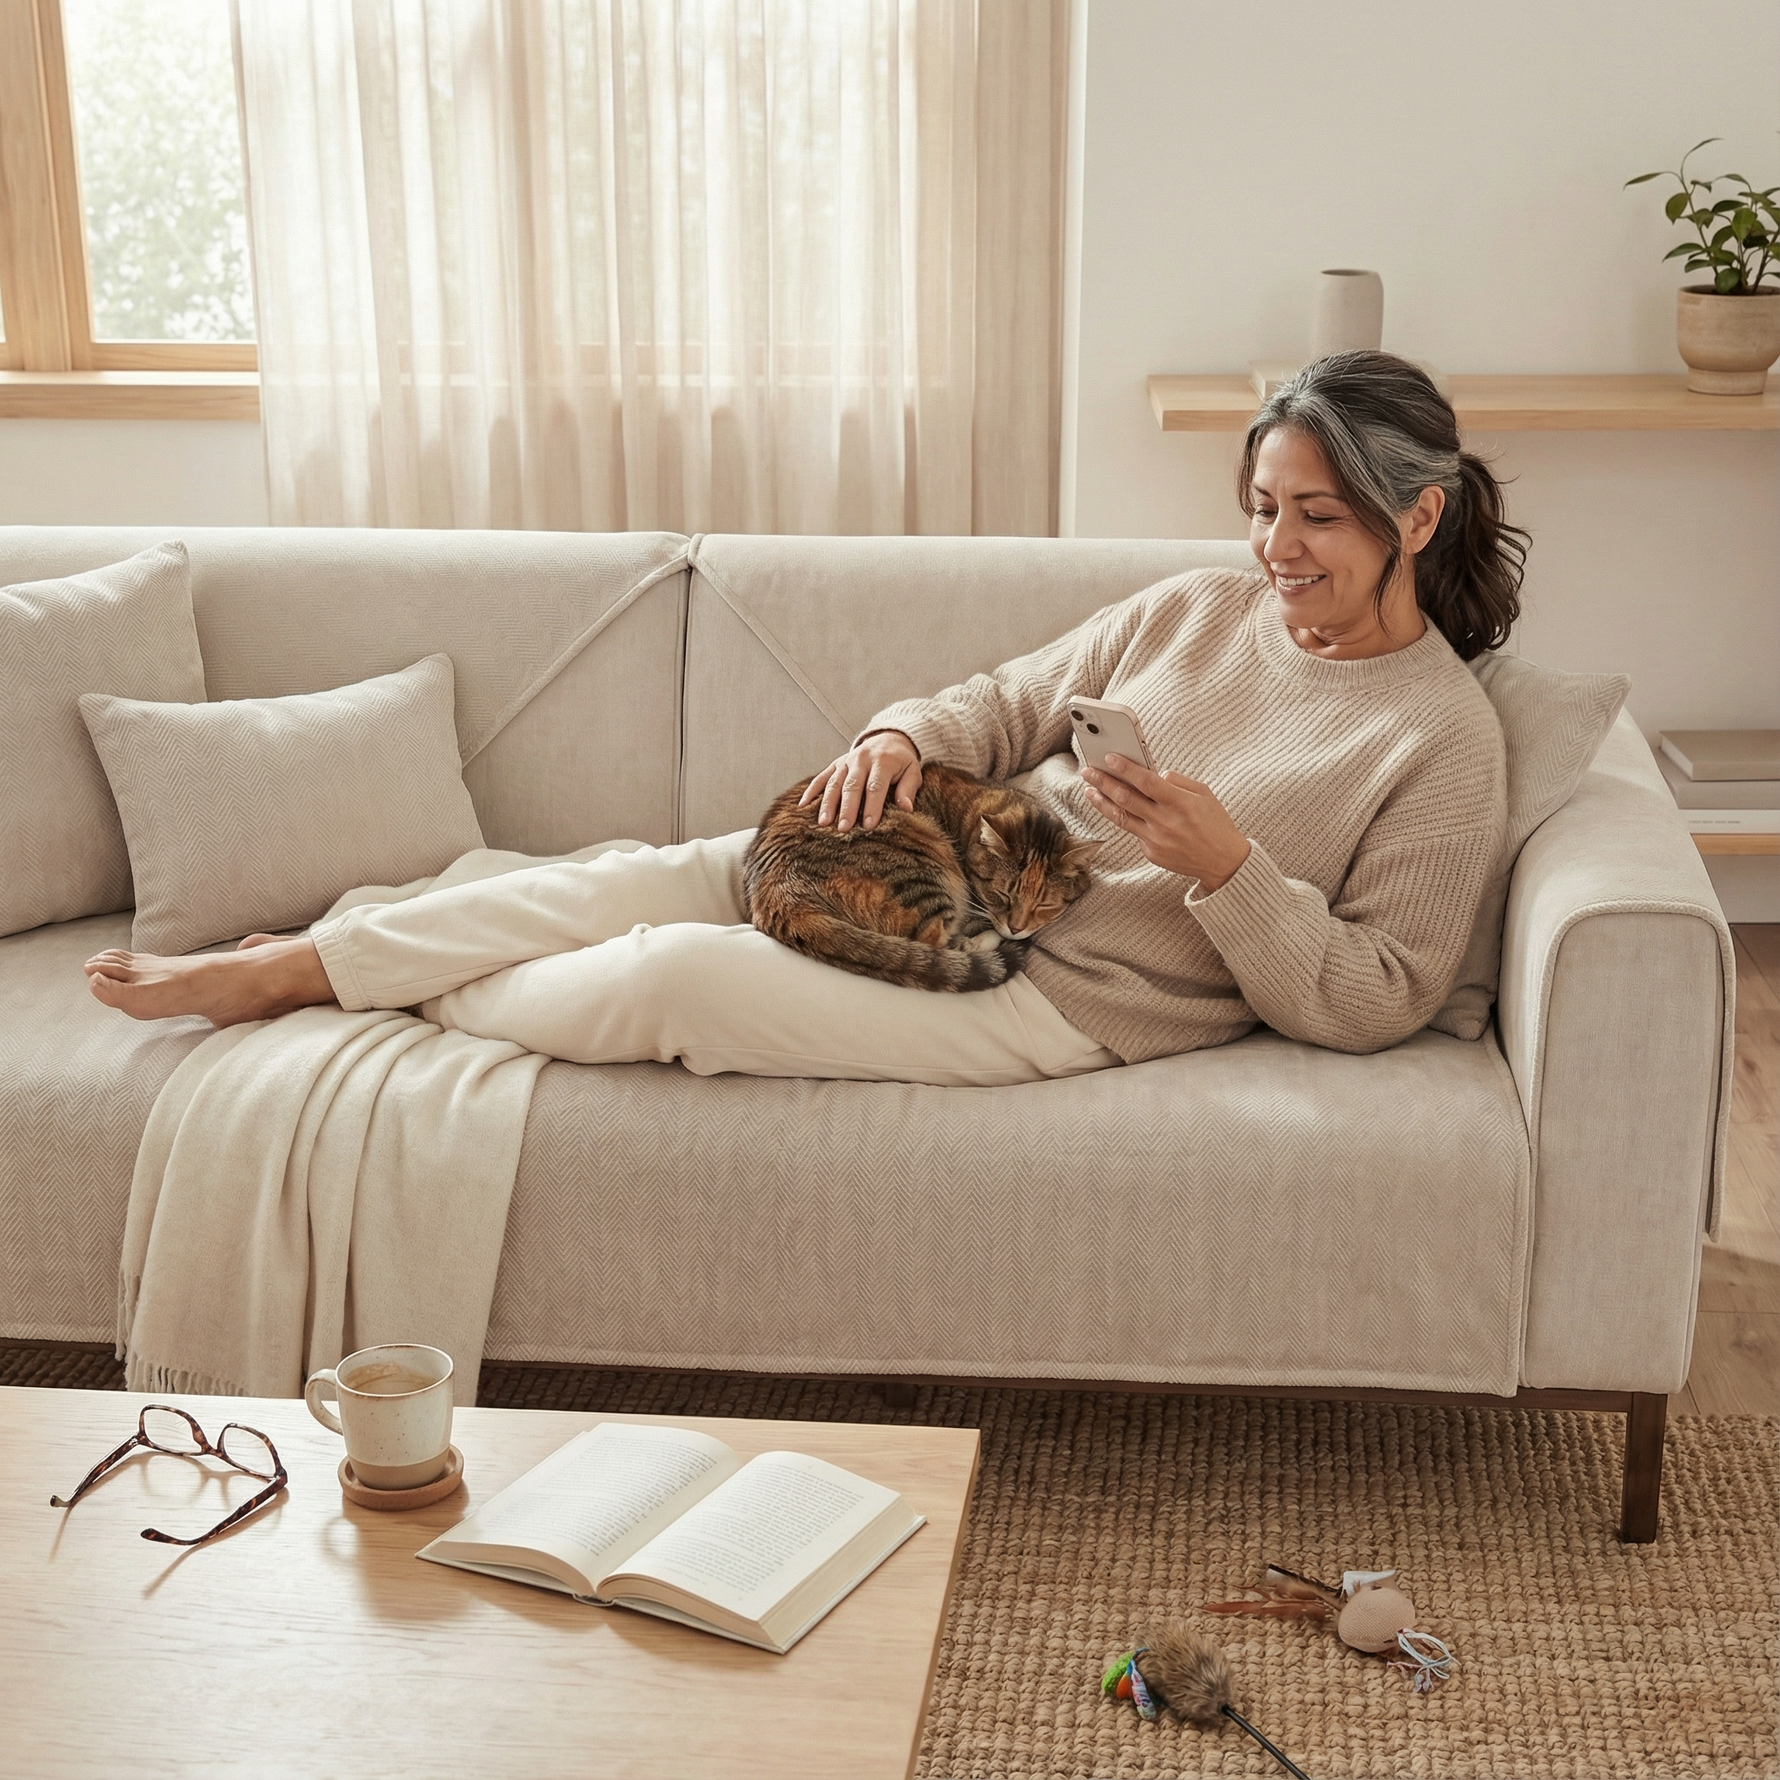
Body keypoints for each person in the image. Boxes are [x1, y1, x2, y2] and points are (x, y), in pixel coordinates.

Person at [85, 350, 1518, 1085]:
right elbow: (1004, 700)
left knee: (667, 980)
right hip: (918, 870)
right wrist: (899, 739)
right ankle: (297, 969)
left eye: (1317, 518)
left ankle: (375, 979)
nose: (1277, 549)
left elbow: (1379, 997)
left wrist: (1228, 870)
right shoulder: (1198, 607)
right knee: (613, 881)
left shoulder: (1439, 740)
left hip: (1055, 998)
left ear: (1420, 514)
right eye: (1265, 508)